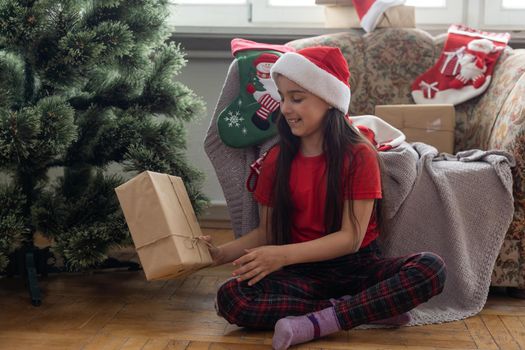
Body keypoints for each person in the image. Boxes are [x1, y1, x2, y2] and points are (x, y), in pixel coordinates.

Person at [200, 46, 446, 350]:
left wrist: (282, 255)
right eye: (283, 96)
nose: (285, 107)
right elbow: (266, 232)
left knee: (430, 268)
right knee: (231, 298)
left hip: (357, 267)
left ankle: (320, 321)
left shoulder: (358, 156)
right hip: (305, 275)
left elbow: (351, 239)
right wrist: (219, 255)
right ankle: (360, 309)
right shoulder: (277, 159)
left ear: (329, 100)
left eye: (297, 98)